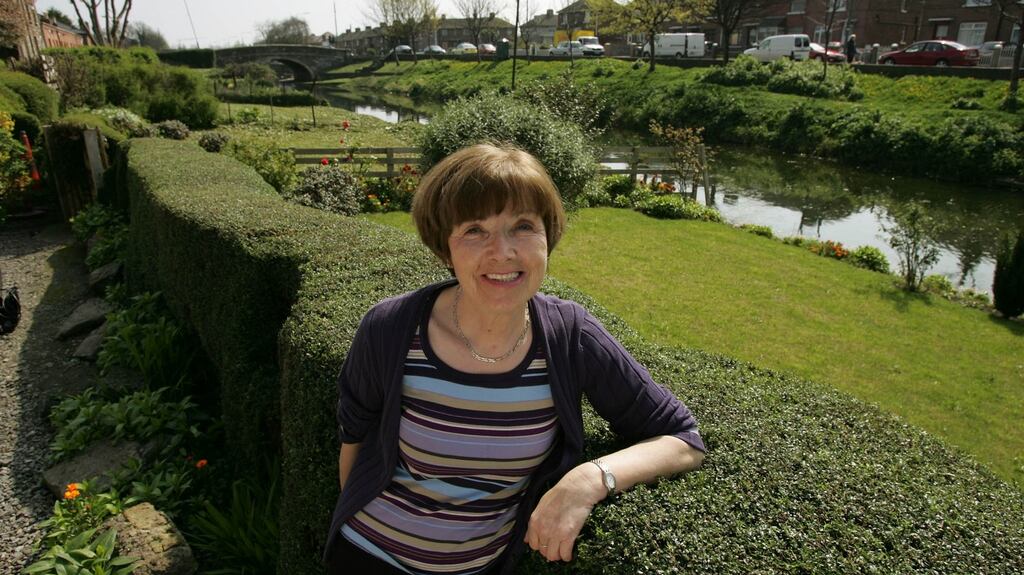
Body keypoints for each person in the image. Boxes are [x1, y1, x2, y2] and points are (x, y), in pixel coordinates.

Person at [324, 143, 706, 575]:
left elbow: (681, 439)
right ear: (445, 248)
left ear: (548, 237)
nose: (502, 252)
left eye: (523, 226)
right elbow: (353, 442)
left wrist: (588, 481)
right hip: (368, 556)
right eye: (474, 230)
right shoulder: (391, 328)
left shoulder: (569, 335)